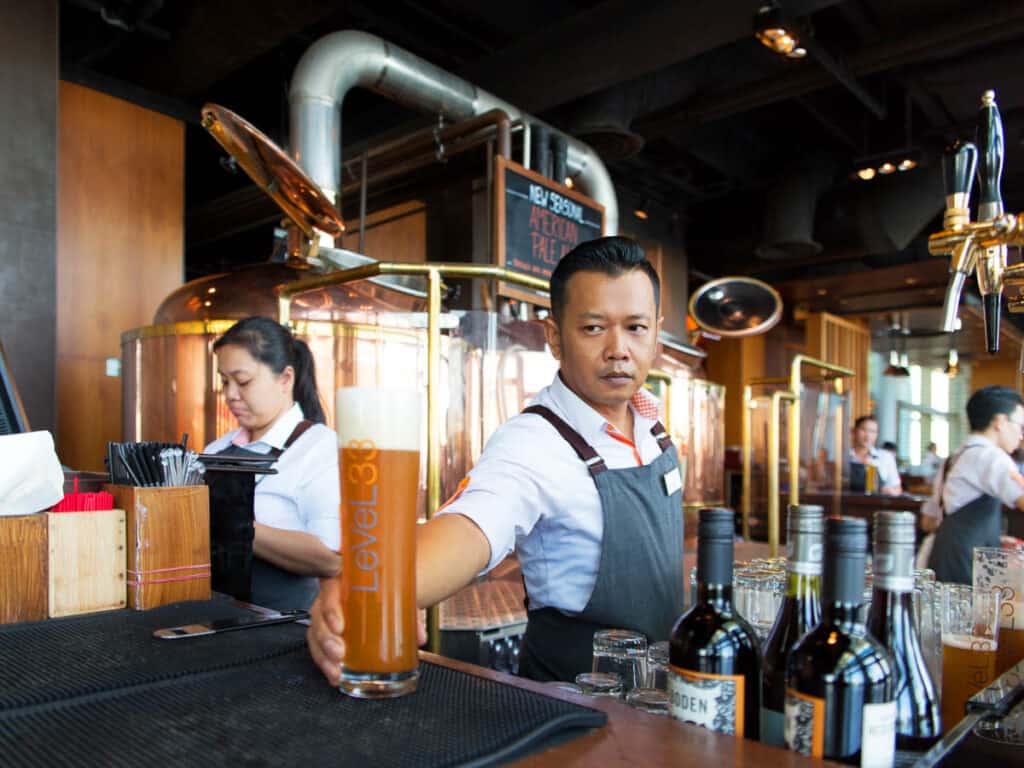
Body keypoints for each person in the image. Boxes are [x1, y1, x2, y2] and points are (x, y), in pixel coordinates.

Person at [307, 236, 684, 684]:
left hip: (662, 691)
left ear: (655, 334)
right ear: (555, 338)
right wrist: (363, 586)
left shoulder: (652, 425)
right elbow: (469, 527)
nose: (618, 349)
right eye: (593, 328)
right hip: (578, 702)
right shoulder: (534, 443)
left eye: (636, 328)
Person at [205, 316, 340, 609]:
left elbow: (332, 558)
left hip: (289, 630)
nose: (230, 395)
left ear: (285, 379)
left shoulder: (319, 449)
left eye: (243, 381)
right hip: (213, 618)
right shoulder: (217, 449)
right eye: (225, 381)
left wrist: (237, 528)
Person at [920, 385, 1024, 584]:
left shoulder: (955, 456)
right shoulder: (991, 456)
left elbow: (928, 521)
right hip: (966, 564)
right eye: (1020, 426)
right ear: (1000, 422)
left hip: (940, 554)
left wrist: (990, 537)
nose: (1020, 436)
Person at [848, 414, 902, 495]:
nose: (868, 435)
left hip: (876, 503)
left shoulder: (885, 457)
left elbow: (897, 488)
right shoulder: (844, 456)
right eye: (863, 430)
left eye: (873, 432)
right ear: (853, 431)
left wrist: (890, 491)